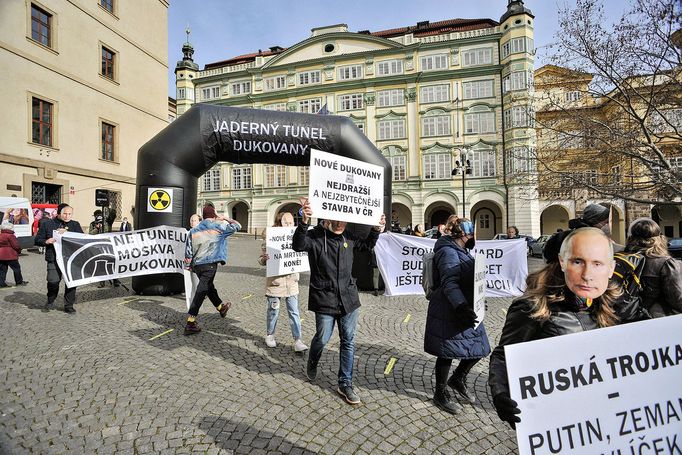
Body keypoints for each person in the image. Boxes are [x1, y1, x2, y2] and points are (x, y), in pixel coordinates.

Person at [489, 227, 619, 428]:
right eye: (578, 261)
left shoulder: (608, 303)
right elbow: (503, 355)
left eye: (596, 263)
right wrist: (501, 393)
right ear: (561, 263)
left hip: (599, 415)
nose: (587, 274)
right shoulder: (534, 306)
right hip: (555, 418)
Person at [293, 197, 385, 405]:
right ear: (326, 217)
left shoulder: (348, 236)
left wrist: (377, 230)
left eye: (344, 220)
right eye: (337, 220)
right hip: (324, 298)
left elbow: (366, 245)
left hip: (349, 299)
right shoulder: (315, 236)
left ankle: (345, 383)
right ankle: (313, 359)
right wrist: (304, 222)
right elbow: (298, 246)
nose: (341, 224)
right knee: (323, 338)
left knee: (348, 341)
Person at [424, 216, 490, 414]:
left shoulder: (461, 250)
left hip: (463, 306)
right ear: (463, 235)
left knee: (481, 347)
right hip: (449, 308)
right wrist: (461, 306)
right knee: (446, 352)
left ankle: (457, 378)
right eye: (471, 234)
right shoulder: (448, 252)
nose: (473, 237)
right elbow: (450, 282)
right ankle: (440, 393)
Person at [183, 204, 241, 335]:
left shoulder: (193, 231)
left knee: (208, 287)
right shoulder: (219, 226)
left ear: (203, 216)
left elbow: (188, 252)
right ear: (214, 215)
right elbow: (238, 226)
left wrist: (188, 266)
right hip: (210, 264)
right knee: (201, 290)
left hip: (197, 265)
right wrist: (225, 218)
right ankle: (190, 322)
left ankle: (221, 308)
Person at [258, 212, 308, 352]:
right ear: (280, 223)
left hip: (292, 282)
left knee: (294, 312)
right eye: (286, 222)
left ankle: (298, 340)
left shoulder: (297, 237)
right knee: (273, 310)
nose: (290, 225)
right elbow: (261, 260)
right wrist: (264, 259)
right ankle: (270, 335)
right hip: (275, 283)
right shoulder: (270, 238)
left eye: (292, 222)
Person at [625, 218, 682, 317]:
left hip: (625, 317)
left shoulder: (623, 259)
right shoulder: (666, 263)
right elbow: (677, 299)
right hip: (657, 320)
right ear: (659, 239)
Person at [34, 203, 84, 313]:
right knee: (53, 281)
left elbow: (81, 239)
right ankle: (50, 300)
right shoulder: (47, 224)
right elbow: (37, 240)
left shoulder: (75, 225)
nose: (67, 216)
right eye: (65, 214)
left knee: (71, 282)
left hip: (71, 259)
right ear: (58, 213)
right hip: (53, 258)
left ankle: (68, 305)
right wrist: (46, 241)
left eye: (70, 214)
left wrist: (69, 235)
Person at [89, 213, 121, 288]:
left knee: (111, 264)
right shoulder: (92, 224)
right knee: (100, 265)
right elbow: (90, 234)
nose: (100, 224)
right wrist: (96, 229)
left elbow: (113, 214)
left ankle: (115, 281)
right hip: (98, 248)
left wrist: (108, 212)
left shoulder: (107, 223)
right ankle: (102, 282)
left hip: (108, 246)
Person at [0, 222, 28, 287]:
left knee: (2, 270)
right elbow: (16, 246)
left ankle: (1, 283)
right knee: (16, 269)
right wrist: (19, 251)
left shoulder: (0, 235)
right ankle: (19, 282)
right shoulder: (11, 236)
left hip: (1, 255)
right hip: (10, 255)